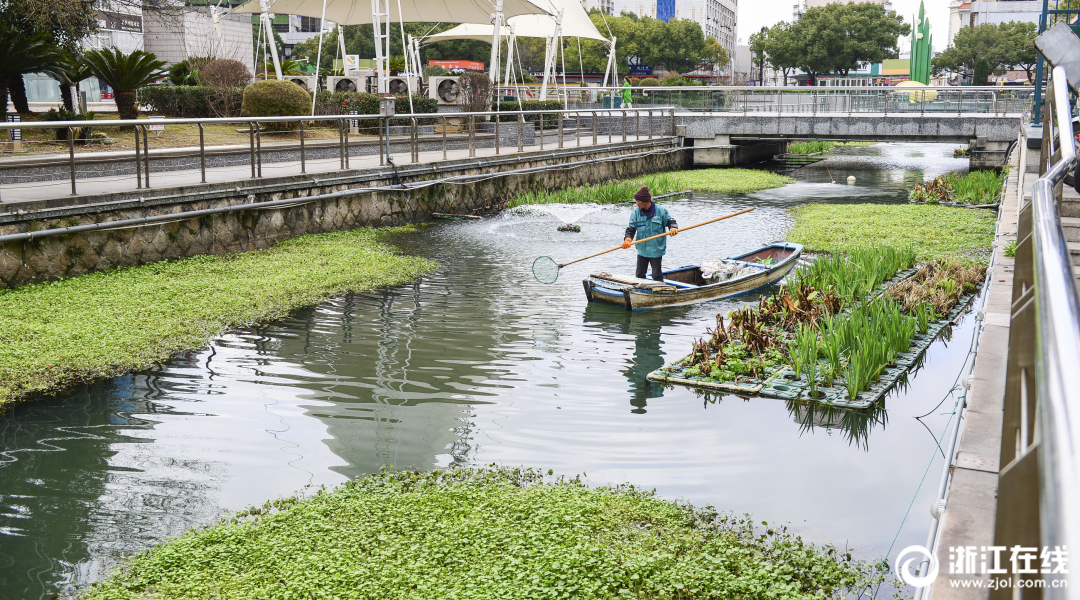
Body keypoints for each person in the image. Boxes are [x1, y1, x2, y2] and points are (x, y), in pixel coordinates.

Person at [621, 186, 678, 281]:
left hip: (656, 250)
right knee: (639, 275)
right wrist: (627, 239)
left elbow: (670, 221)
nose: (637, 203)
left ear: (646, 201)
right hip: (642, 250)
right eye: (636, 201)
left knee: (656, 275)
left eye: (639, 201)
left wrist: (673, 228)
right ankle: (641, 292)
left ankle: (659, 292)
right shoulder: (635, 213)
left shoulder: (661, 211)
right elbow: (631, 229)